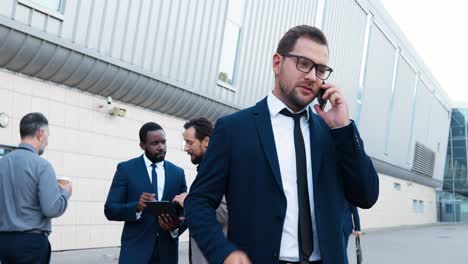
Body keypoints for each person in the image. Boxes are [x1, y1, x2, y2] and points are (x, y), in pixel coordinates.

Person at [184, 25, 379, 264]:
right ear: (277, 63)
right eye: (303, 63)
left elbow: (367, 195)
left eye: (320, 70)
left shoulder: (333, 133)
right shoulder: (234, 129)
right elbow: (198, 201)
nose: (311, 76)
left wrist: (344, 129)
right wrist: (223, 252)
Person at [104, 122, 187, 264]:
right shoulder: (126, 169)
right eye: (155, 143)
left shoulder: (178, 173)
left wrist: (174, 228)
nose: (161, 147)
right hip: (135, 253)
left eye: (163, 142)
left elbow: (186, 211)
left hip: (167, 253)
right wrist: (136, 207)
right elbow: (110, 210)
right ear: (142, 146)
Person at [0, 112, 72, 264]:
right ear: (41, 133)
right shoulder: (42, 166)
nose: (47, 142)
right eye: (48, 136)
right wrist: (65, 193)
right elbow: (51, 209)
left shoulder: (2, 163)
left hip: (3, 241)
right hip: (31, 243)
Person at [172, 118, 228, 264]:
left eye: (190, 142)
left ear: (206, 141)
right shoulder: (205, 170)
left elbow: (225, 213)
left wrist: (189, 203)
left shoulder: (219, 171)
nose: (185, 148)